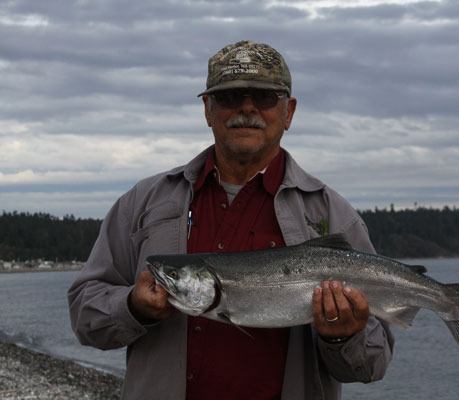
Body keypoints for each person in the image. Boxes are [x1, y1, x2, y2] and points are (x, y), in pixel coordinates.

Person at [68, 40, 393, 400]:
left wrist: (343, 335)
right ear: (208, 109)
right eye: (230, 97)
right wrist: (133, 307)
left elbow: (371, 367)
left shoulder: (333, 217)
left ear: (289, 112)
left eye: (265, 98)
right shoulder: (142, 203)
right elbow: (85, 315)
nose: (247, 108)